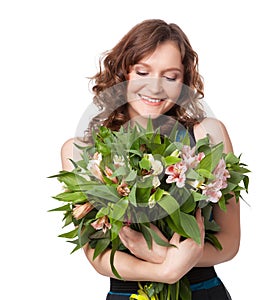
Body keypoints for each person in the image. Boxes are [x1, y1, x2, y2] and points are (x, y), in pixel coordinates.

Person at [61, 19, 239, 299]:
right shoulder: (82, 151)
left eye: (170, 77)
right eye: (142, 72)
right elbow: (98, 255)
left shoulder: (208, 135)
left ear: (184, 82)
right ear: (123, 74)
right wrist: (166, 268)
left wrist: (159, 252)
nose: (155, 88)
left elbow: (230, 242)